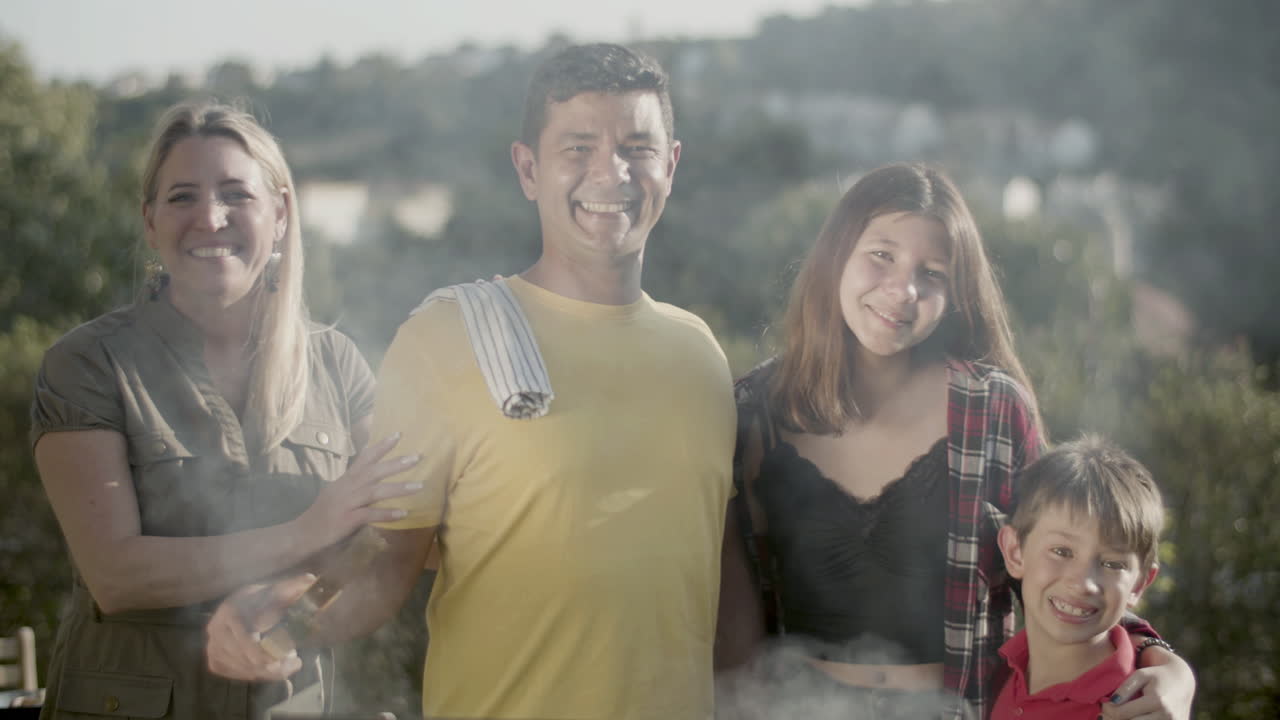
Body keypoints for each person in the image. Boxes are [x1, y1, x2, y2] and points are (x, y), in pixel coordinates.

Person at [205, 44, 738, 720]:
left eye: (638, 146)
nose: (613, 171)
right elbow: (388, 553)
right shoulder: (448, 338)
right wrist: (291, 616)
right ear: (528, 169)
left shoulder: (700, 354)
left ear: (672, 164)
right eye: (577, 148)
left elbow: (712, 567)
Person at [715, 163, 1194, 719]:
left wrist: (1168, 666)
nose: (903, 289)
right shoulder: (752, 411)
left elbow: (1064, 561)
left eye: (933, 273)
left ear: (955, 294)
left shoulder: (992, 410)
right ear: (836, 256)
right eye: (881, 255)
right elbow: (727, 605)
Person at [30, 101, 420, 720]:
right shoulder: (87, 364)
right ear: (150, 221)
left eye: (236, 194)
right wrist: (302, 532)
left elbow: (390, 536)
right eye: (183, 197)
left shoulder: (337, 363)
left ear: (282, 213)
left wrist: (288, 611)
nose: (210, 218)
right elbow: (117, 573)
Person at [991, 435, 1165, 720]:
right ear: (1015, 551)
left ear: (1139, 584)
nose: (1083, 583)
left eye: (1112, 563)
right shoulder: (994, 673)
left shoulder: (1135, 709)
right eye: (1061, 551)